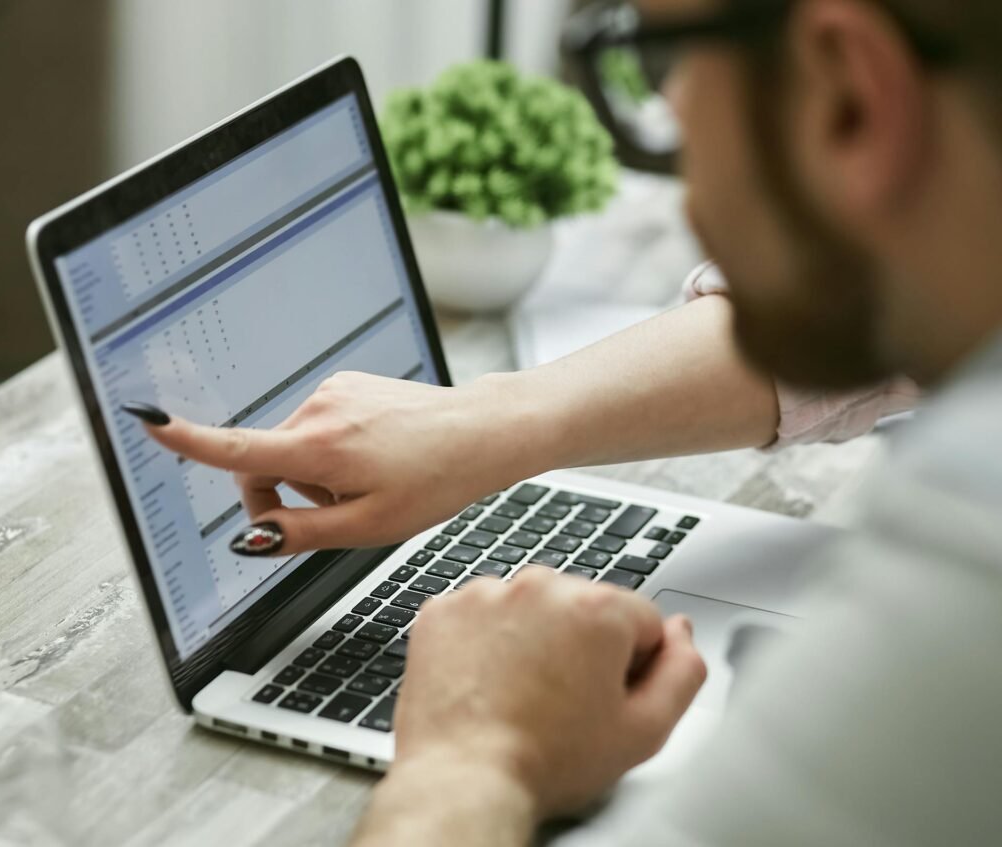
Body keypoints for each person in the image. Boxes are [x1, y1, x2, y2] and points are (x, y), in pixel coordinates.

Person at [123, 0, 1002, 843]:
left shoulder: (971, 553)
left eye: (668, 56)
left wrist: (474, 760)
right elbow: (843, 312)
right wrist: (496, 418)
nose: (670, 107)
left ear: (848, 91)